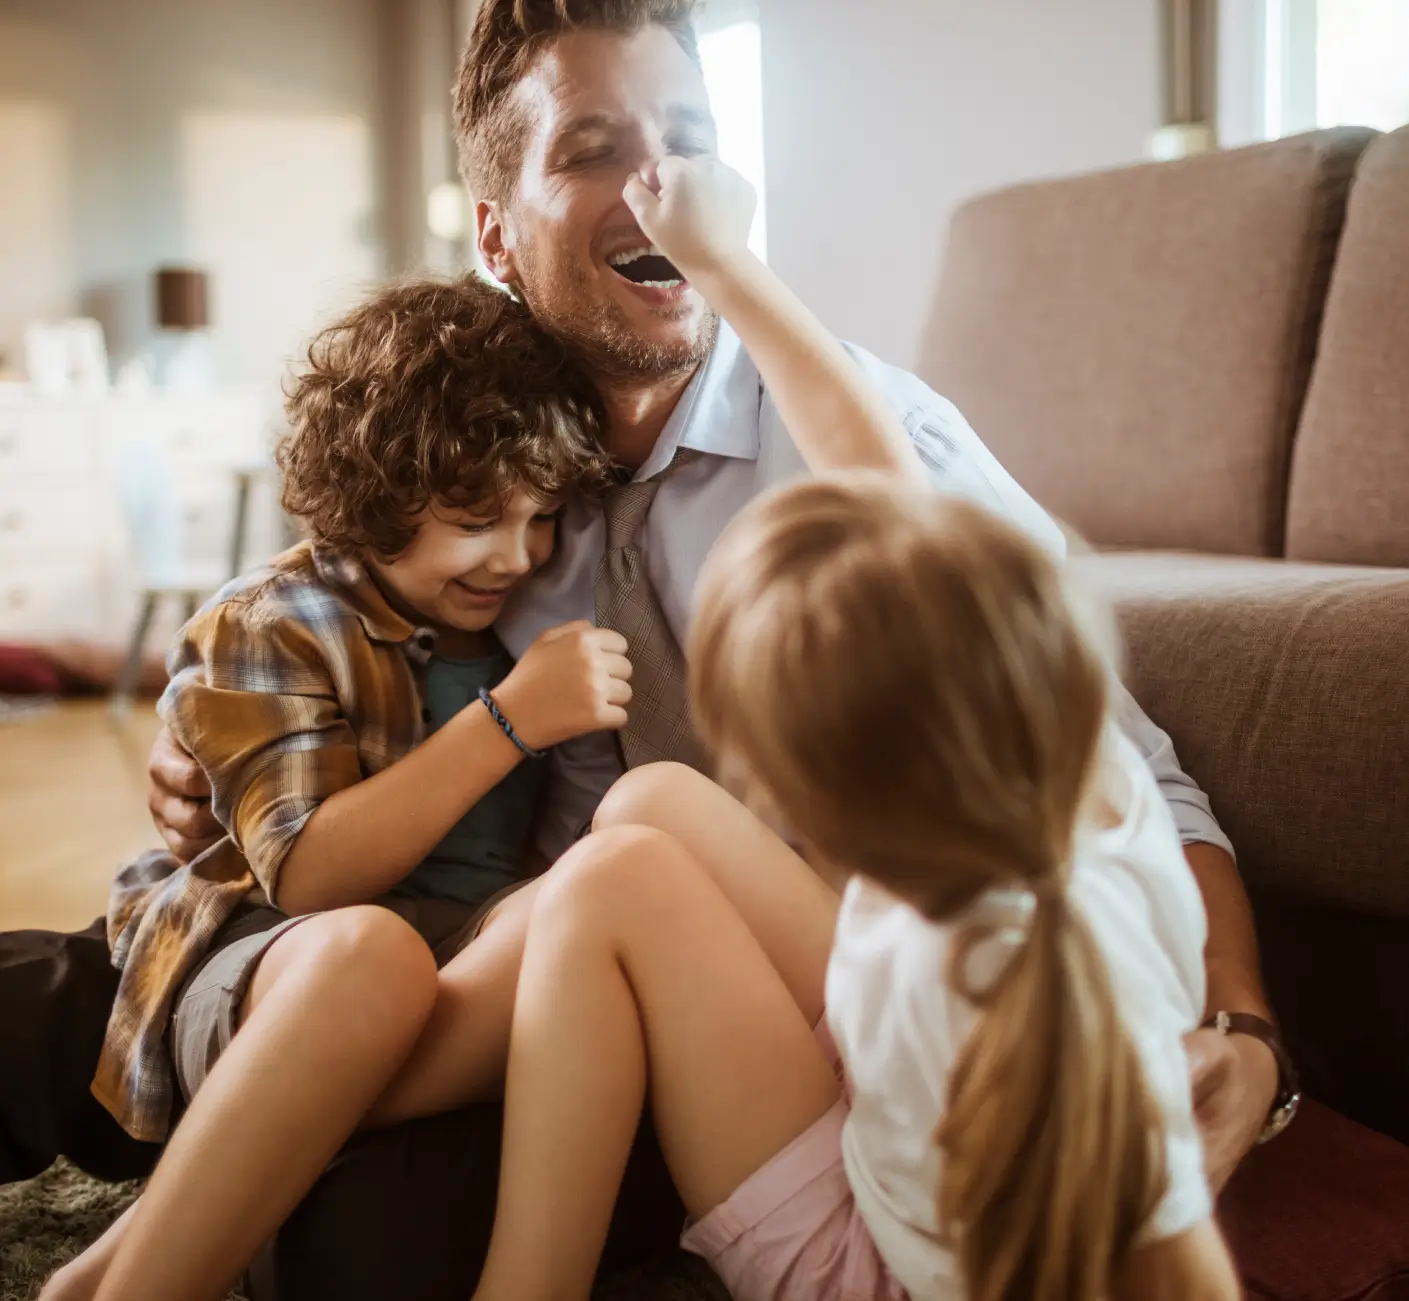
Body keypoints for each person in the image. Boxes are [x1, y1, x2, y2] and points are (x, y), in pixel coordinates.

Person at [5, 1, 1284, 1295]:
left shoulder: (861, 452)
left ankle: (218, 1144)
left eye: (686, 140)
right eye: (592, 149)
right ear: (497, 233)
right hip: (454, 937)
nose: (657, 183)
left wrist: (1243, 1028)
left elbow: (1123, 770)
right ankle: (196, 1096)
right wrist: (210, 726)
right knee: (103, 980)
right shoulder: (489, 451)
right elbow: (334, 601)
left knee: (364, 1234)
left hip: (693, 997)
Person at [49, 136, 928, 1301]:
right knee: (366, 959)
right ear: (373, 495)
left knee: (611, 851)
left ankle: (155, 1235)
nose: (515, 557)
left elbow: (577, 870)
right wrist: (509, 720)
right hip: (273, 959)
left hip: (448, 970)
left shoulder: (516, 611)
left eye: (540, 519)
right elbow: (309, 876)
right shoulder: (284, 620)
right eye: (477, 522)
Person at [470, 477, 1242, 1301]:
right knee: (651, 798)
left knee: (605, 882)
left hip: (877, 1265)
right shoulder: (1092, 779)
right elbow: (906, 533)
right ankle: (404, 1038)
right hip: (901, 1121)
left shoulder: (1023, 1005)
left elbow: (1177, 1260)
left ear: (803, 805)